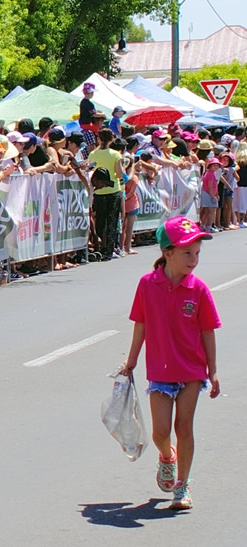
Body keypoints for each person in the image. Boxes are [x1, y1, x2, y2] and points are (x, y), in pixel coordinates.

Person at [122, 216, 221, 510]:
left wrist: (212, 371)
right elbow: (140, 324)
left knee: (184, 426)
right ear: (167, 253)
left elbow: (208, 331)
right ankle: (167, 457)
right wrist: (131, 360)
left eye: (197, 254)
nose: (194, 260)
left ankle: (183, 485)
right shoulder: (147, 285)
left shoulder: (198, 289)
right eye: (187, 253)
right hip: (161, 370)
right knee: (160, 432)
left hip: (192, 370)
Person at [88, 128, 125, 260]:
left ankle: (101, 245)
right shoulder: (116, 155)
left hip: (98, 190)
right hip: (113, 189)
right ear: (111, 139)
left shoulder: (92, 154)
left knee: (100, 220)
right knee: (112, 220)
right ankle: (108, 250)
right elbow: (120, 173)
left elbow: (90, 170)